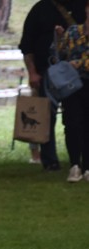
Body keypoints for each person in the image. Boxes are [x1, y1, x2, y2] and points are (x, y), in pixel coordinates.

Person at [20, 0, 84, 172]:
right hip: (45, 73)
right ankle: (50, 160)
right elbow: (27, 46)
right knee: (46, 118)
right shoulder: (40, 9)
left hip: (76, 75)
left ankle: (78, 161)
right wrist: (32, 72)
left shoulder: (82, 7)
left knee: (75, 120)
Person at [54, 0, 89, 182]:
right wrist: (60, 38)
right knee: (72, 124)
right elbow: (60, 55)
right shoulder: (73, 32)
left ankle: (87, 167)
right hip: (72, 84)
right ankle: (75, 165)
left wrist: (80, 63)